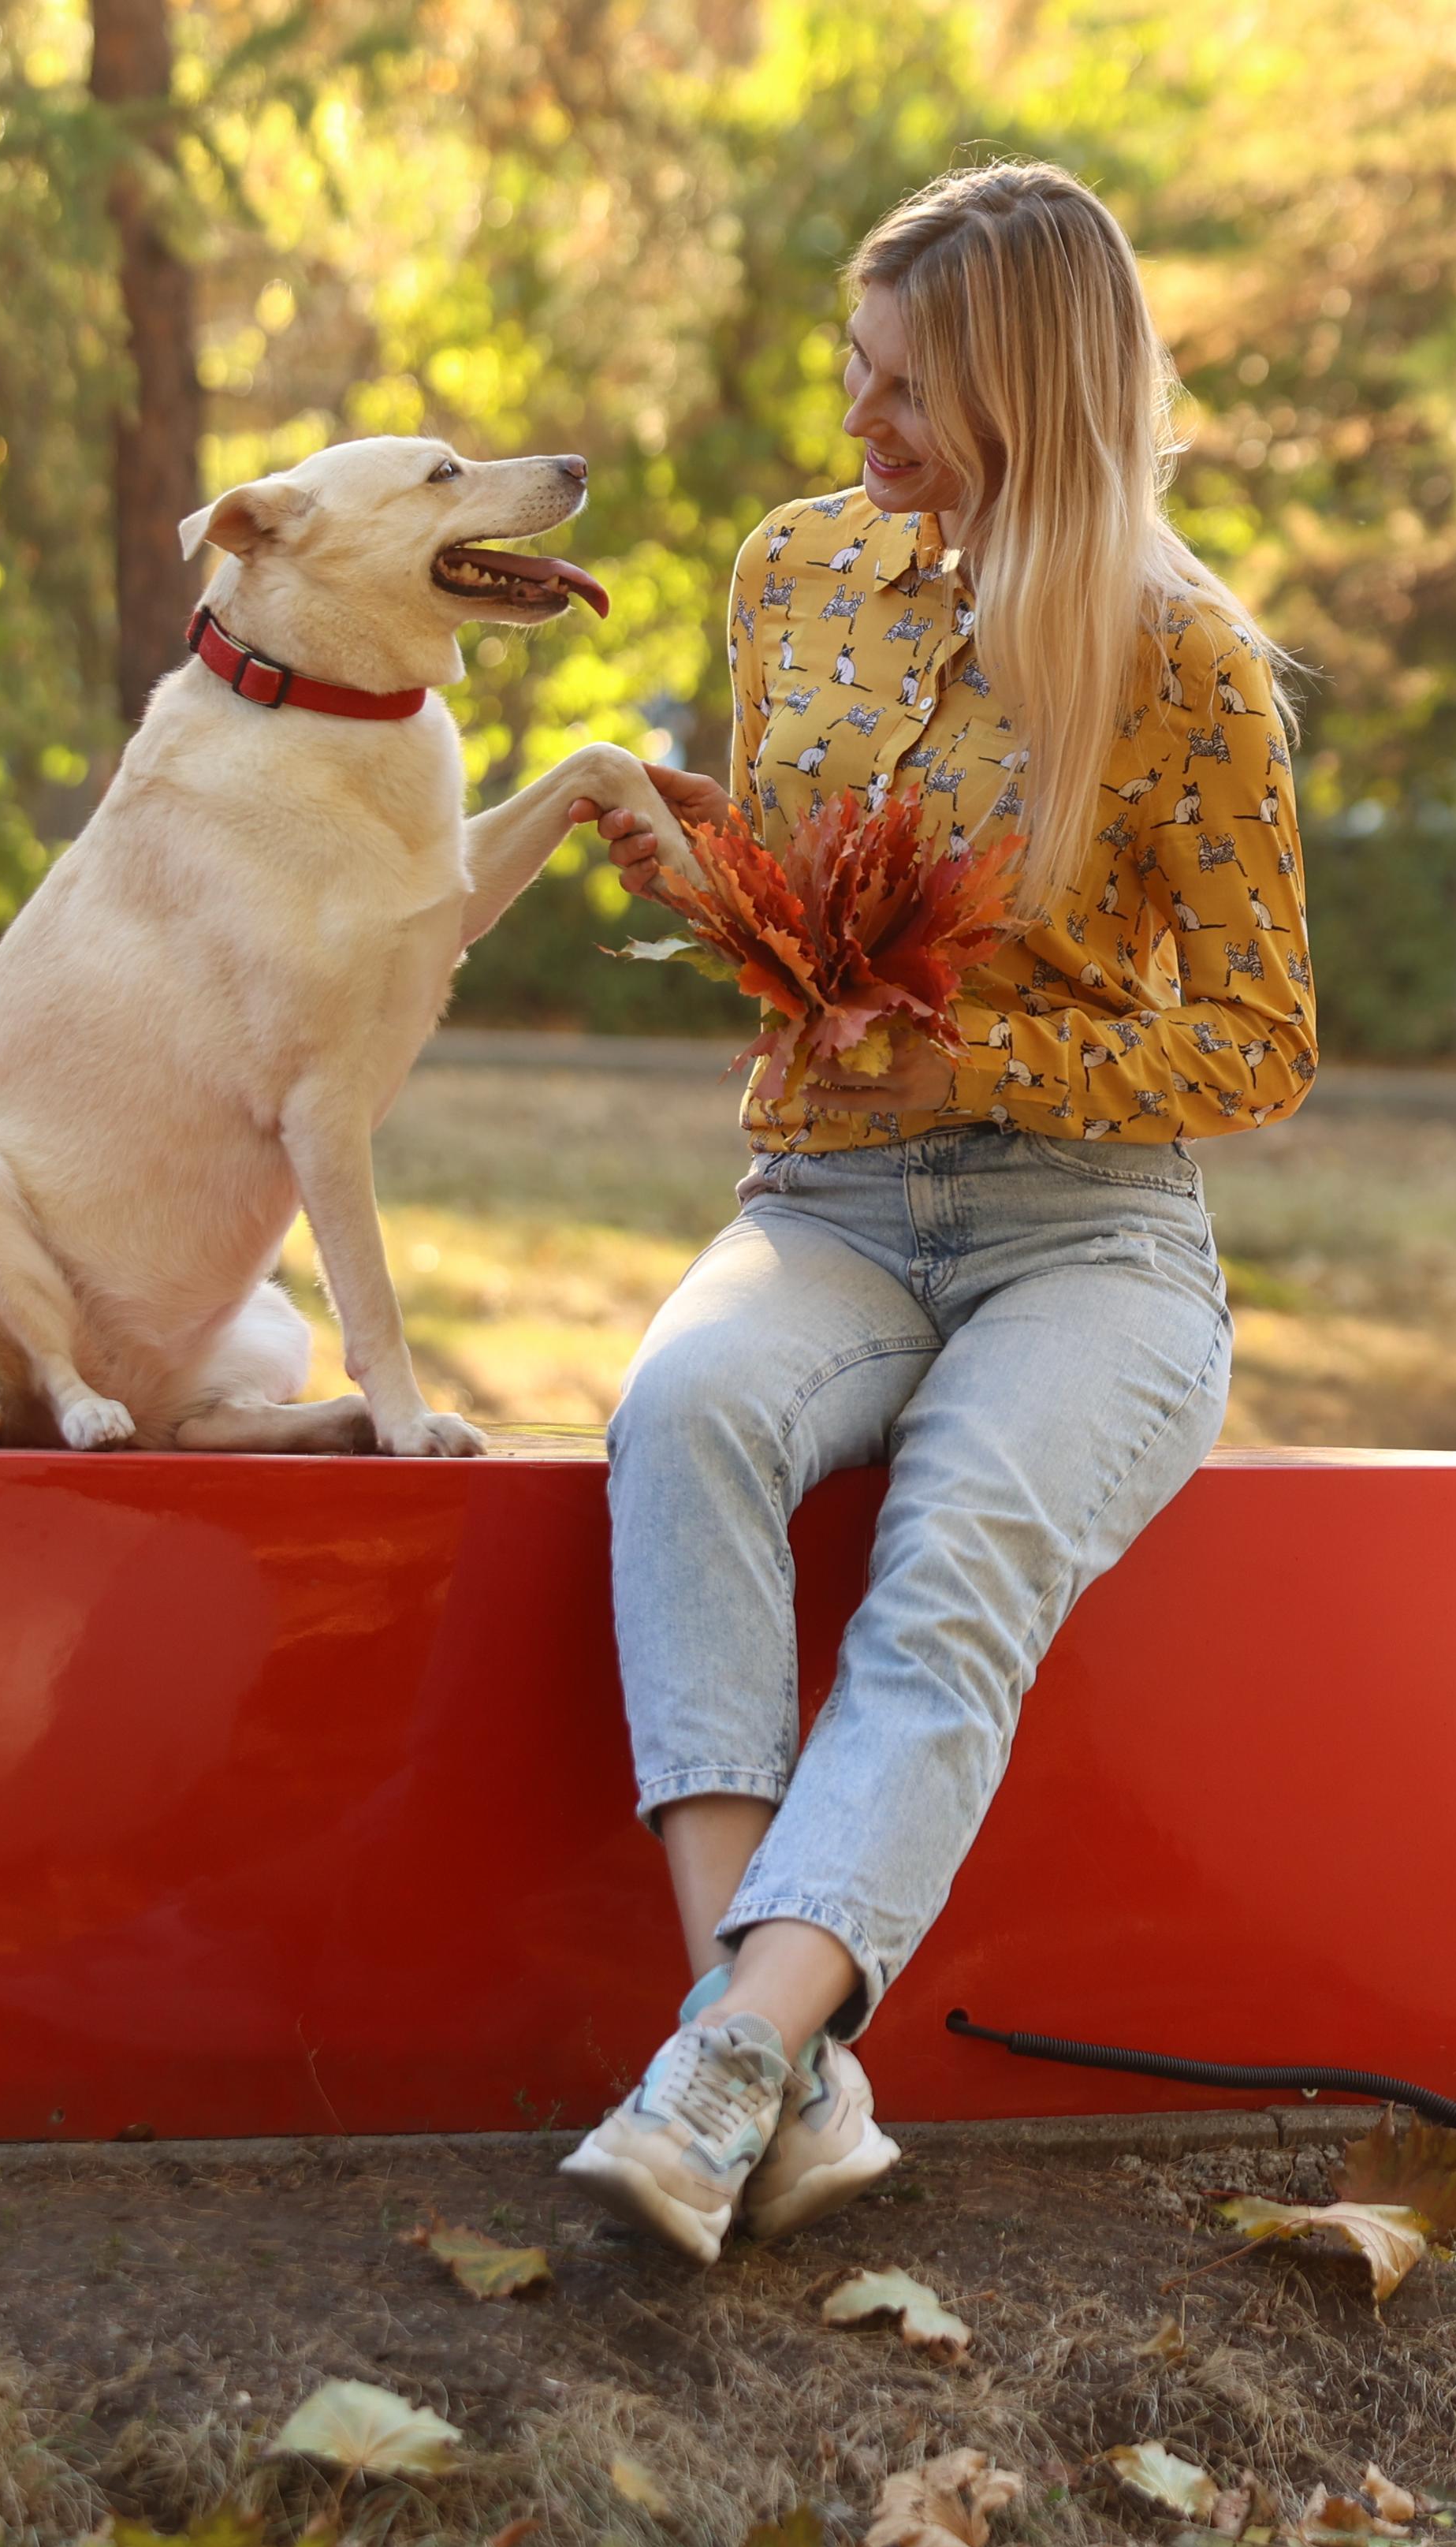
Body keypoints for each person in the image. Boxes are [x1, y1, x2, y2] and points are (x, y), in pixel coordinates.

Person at [553, 160, 1317, 2262]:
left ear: (1028, 402)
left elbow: (1259, 1042)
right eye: (856, 374)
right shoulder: (795, 574)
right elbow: (814, 907)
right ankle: (774, 2060)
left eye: (904, 393)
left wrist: (980, 1070)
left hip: (1095, 1240)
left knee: (957, 1554)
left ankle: (719, 2071)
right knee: (686, 1420)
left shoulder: (1186, 670)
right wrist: (705, 866)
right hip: (831, 1202)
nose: (855, 427)